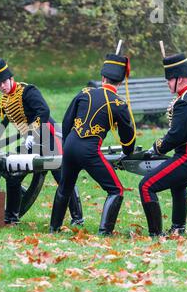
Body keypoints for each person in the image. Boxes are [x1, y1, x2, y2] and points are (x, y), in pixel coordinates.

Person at [0, 58, 84, 225]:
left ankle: (78, 218)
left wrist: (32, 132)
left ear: (10, 78)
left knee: (62, 177)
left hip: (49, 137)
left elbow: (43, 110)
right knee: (14, 174)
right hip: (31, 142)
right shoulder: (4, 100)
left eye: (3, 82)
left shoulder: (27, 90)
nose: (2, 86)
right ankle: (11, 217)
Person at [50, 53, 136, 234]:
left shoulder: (84, 92)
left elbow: (66, 123)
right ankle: (104, 232)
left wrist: (67, 145)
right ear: (120, 82)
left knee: (64, 188)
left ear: (103, 77)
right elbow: (128, 137)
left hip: (70, 145)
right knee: (116, 190)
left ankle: (54, 228)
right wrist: (128, 152)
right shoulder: (119, 104)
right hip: (89, 151)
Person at [139, 53, 187, 236]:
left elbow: (175, 136)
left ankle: (156, 234)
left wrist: (155, 148)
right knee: (178, 184)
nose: (167, 83)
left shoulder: (183, 102)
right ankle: (178, 228)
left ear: (179, 79)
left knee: (146, 185)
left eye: (169, 79)